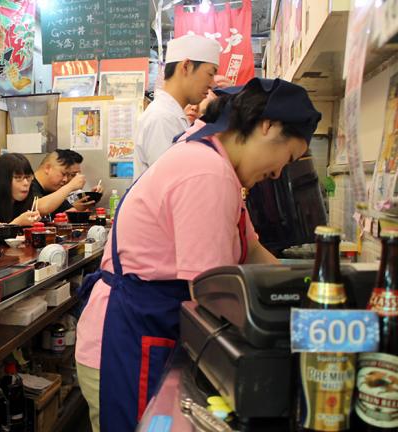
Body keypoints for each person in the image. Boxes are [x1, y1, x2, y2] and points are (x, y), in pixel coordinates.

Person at [76, 78, 321, 431]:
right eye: (289, 157)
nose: (280, 172)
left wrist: (308, 291)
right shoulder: (207, 172)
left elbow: (250, 249)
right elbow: (209, 291)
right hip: (127, 344)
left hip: (142, 331)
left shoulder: (216, 164)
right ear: (268, 127)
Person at [133, 34, 221, 179]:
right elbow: (171, 185)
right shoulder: (162, 119)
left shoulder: (172, 115)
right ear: (186, 66)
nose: (213, 83)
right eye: (210, 74)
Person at [30, 149, 103, 218]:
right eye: (63, 174)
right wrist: (70, 186)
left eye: (68, 175)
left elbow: (70, 211)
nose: (65, 179)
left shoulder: (53, 189)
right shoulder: (28, 184)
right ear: (47, 168)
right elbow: (38, 208)